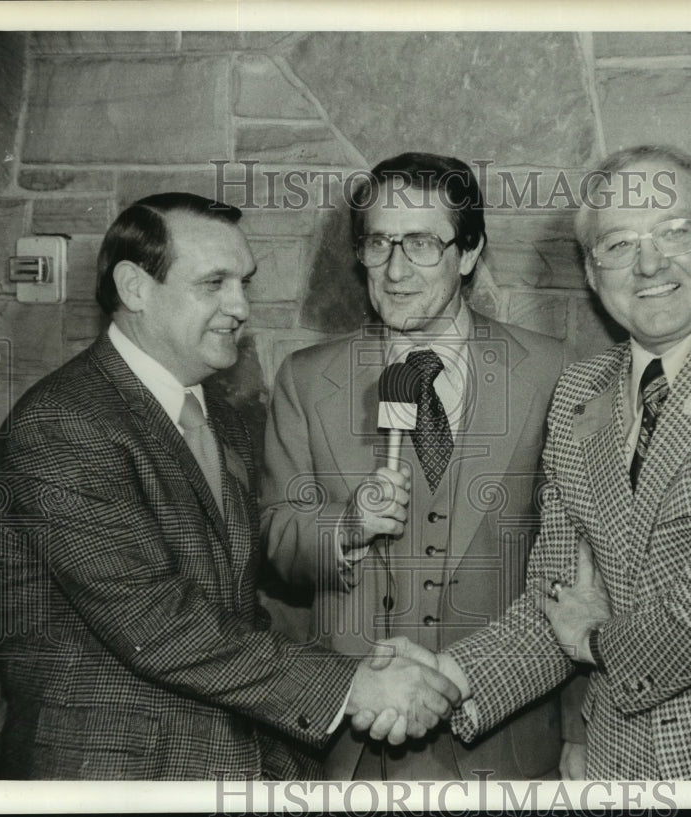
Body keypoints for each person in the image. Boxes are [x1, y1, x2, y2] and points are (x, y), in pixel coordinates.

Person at [392, 145, 691, 778]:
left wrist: (595, 640)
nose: (649, 263)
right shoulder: (579, 393)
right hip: (623, 768)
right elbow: (558, 600)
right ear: (593, 274)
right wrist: (445, 678)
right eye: (618, 244)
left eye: (675, 232)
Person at [0, 192, 460, 780]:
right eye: (214, 283)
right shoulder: (63, 422)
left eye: (245, 283)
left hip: (224, 761)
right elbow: (156, 622)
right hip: (113, 776)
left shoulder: (218, 417)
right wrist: (352, 684)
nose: (239, 306)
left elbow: (231, 604)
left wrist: (355, 669)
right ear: (134, 287)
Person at [261, 153, 569, 779]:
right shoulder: (306, 379)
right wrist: (344, 527)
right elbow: (276, 541)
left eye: (423, 244)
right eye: (379, 243)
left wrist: (582, 732)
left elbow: (587, 567)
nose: (396, 271)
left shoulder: (552, 372)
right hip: (354, 746)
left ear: (469, 251)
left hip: (502, 745)